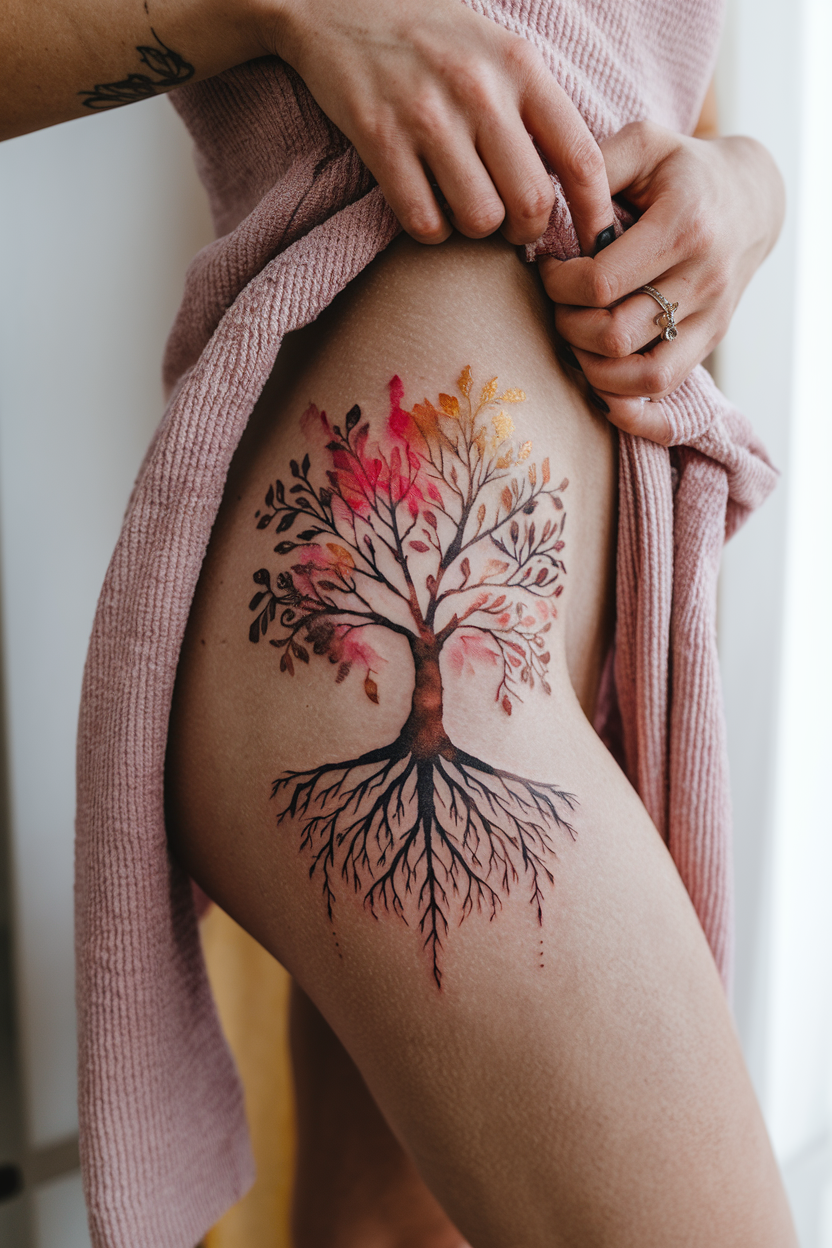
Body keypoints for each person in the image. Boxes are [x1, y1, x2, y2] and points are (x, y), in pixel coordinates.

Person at [3, 2, 794, 1246]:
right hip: (359, 614)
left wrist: (744, 189)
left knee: (391, 1229)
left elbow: (626, 56)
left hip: (522, 632)